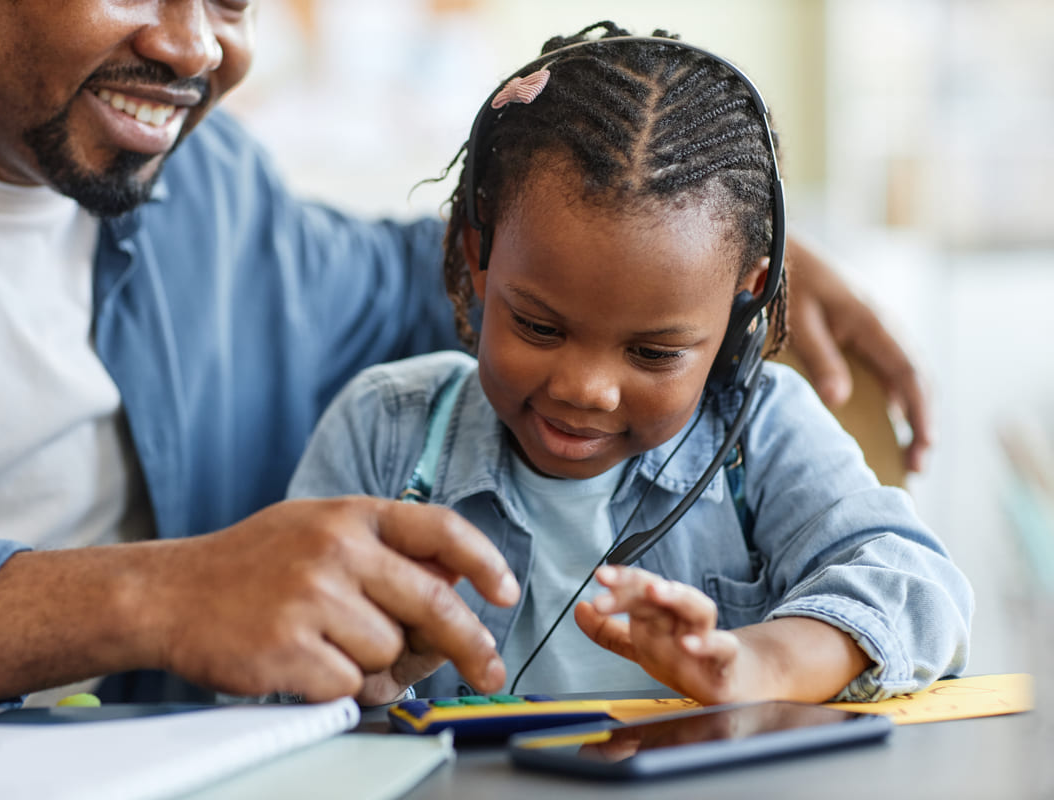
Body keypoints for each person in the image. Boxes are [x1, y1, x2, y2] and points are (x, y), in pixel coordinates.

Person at [0, 0, 934, 724]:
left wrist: (726, 259)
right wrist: (147, 596)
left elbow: (452, 270)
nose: (191, 48)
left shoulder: (212, 189)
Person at [287, 23, 972, 705]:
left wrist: (759, 665)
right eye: (538, 325)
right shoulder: (382, 431)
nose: (585, 390)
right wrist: (349, 684)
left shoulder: (763, 432)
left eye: (653, 353)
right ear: (478, 256)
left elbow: (915, 584)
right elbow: (272, 679)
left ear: (744, 300)